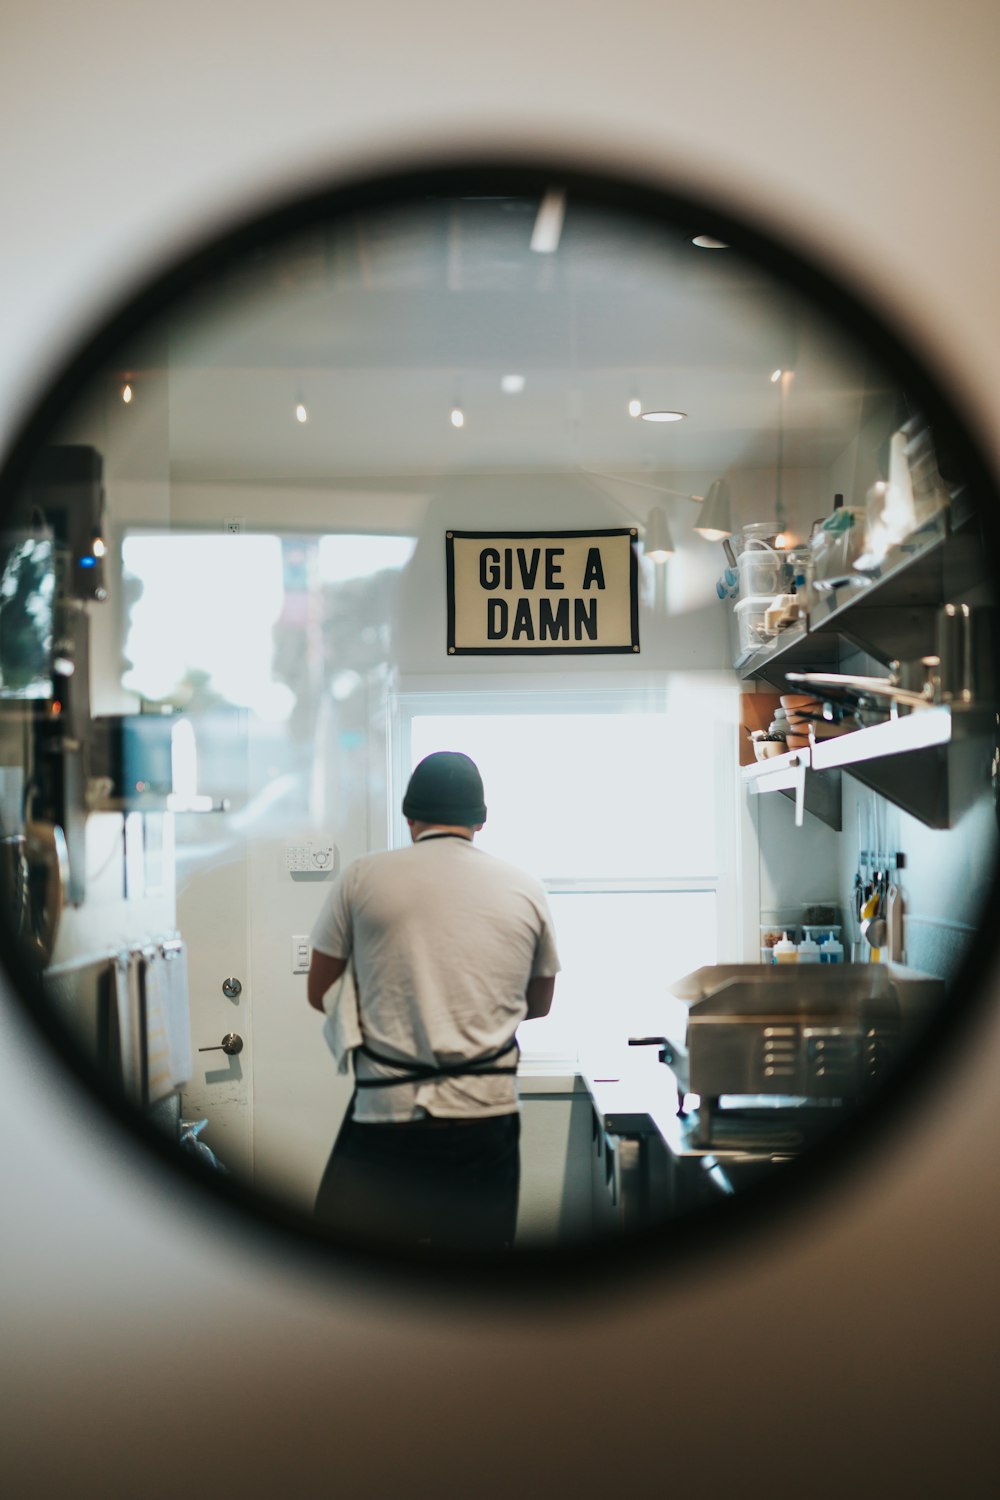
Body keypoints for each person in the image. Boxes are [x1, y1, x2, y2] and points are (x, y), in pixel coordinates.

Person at [307, 750, 560, 1253]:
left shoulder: (362, 878)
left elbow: (320, 992)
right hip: (485, 1118)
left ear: (409, 817)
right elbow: (539, 1002)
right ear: (480, 821)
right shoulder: (524, 887)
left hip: (386, 1114)